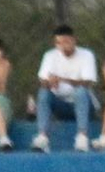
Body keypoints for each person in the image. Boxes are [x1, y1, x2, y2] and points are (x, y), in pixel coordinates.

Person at [31, 23, 98, 151]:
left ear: (74, 40)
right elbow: (42, 81)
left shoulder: (86, 55)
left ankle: (82, 137)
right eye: (59, 43)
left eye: (66, 42)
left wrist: (62, 80)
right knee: (43, 93)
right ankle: (42, 137)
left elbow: (87, 83)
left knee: (80, 92)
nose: (63, 46)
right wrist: (50, 82)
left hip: (84, 105)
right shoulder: (50, 56)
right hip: (61, 105)